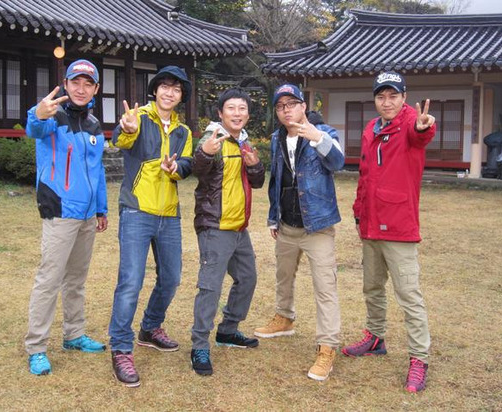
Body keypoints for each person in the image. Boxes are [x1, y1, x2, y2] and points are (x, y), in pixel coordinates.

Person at [341, 72, 436, 393]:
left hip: (399, 224)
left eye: (393, 96)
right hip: (370, 221)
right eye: (381, 96)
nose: (387, 102)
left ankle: (419, 357)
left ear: (404, 97)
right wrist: (358, 211)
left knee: (408, 294)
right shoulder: (371, 128)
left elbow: (421, 134)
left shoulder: (410, 123)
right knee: (372, 286)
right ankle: (375, 337)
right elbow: (365, 174)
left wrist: (424, 126)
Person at [108, 66, 193, 388]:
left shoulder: (183, 131)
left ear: (181, 96)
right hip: (137, 210)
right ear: (155, 90)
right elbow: (122, 139)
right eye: (165, 86)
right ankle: (121, 348)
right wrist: (127, 128)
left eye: (176, 89)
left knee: (171, 278)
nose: (170, 93)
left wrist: (176, 168)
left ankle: (150, 328)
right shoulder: (139, 117)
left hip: (169, 213)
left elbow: (186, 165)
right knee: (131, 281)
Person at [255, 84, 344, 381]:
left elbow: (338, 162)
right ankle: (284, 318)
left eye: (292, 104)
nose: (286, 110)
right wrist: (273, 217)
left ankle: (327, 347)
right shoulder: (277, 138)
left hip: (317, 225)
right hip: (287, 224)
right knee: (283, 275)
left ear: (304, 106)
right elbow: (276, 179)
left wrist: (317, 138)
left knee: (325, 287)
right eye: (281, 106)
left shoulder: (324, 132)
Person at [25, 59, 108, 375]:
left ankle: (74, 334)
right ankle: (36, 347)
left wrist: (101, 209)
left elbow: (97, 171)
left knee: (76, 279)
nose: (81, 89)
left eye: (88, 84)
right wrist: (37, 113)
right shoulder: (53, 116)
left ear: (96, 89)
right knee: (49, 279)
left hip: (87, 216)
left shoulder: (94, 125)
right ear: (66, 84)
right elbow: (35, 128)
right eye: (76, 82)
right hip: (60, 211)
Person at [190, 88, 265, 376]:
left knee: (247, 278)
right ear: (220, 113)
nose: (237, 113)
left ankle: (228, 330)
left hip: (239, 227)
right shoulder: (213, 138)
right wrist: (205, 153)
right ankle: (199, 345)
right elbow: (198, 169)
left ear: (247, 114)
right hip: (215, 225)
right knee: (210, 286)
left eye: (242, 108)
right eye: (231, 108)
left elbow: (257, 182)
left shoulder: (244, 142)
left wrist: (255, 165)